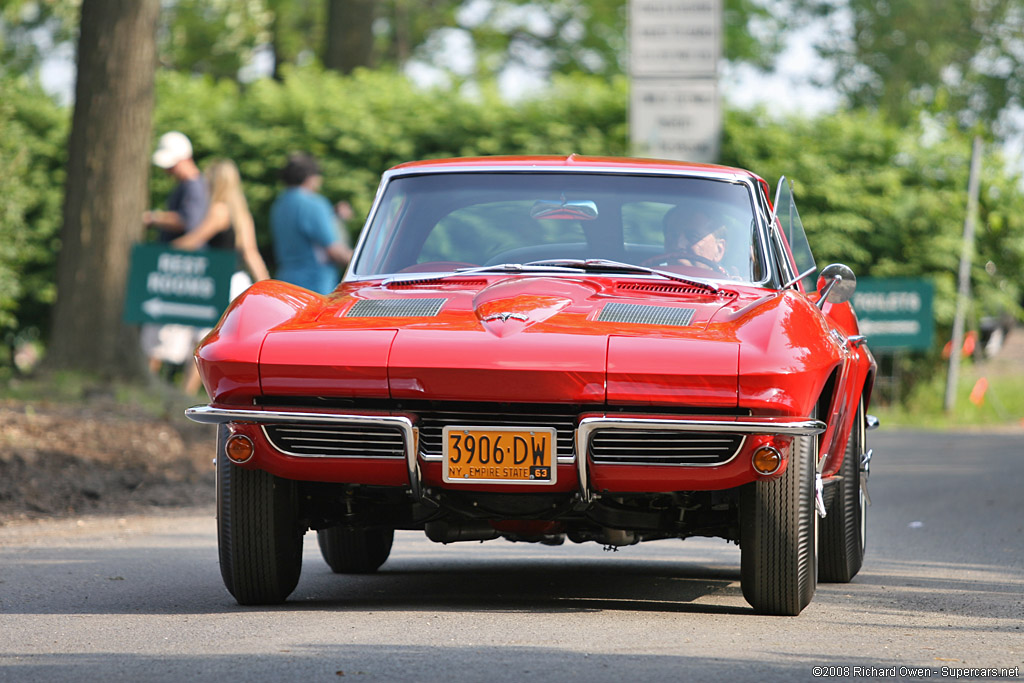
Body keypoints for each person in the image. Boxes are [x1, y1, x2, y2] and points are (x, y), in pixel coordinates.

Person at [171, 159, 271, 395]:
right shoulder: (241, 212)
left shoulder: (218, 210)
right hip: (238, 282)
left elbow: (194, 241)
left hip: (219, 283)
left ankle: (186, 393)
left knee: (205, 340)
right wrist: (266, 284)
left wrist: (160, 252)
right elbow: (250, 252)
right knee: (222, 340)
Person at [140, 131, 211, 381]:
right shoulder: (188, 187)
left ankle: (164, 385)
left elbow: (188, 221)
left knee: (173, 333)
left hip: (184, 270)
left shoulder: (194, 187)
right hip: (182, 269)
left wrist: (153, 218)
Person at [269, 153, 352, 294]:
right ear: (311, 177)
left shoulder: (279, 203)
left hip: (285, 282)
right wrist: (364, 263)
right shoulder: (314, 204)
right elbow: (334, 250)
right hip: (315, 285)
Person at [661, 206, 730, 275]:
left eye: (692, 236)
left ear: (719, 250)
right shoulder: (651, 277)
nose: (678, 245)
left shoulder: (730, 284)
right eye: (673, 235)